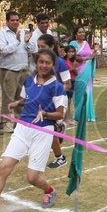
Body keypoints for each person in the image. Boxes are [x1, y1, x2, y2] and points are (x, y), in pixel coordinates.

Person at [0, 49, 66, 212]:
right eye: (41, 62)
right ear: (36, 63)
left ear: (53, 65)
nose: (43, 65)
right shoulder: (29, 81)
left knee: (32, 178)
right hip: (22, 129)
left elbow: (60, 114)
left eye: (47, 63)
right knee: (3, 168)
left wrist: (46, 114)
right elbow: (27, 99)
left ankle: (49, 190)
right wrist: (16, 103)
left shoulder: (57, 87)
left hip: (43, 132)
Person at [37, 34, 71, 170]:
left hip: (57, 99)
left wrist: (53, 91)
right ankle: (59, 128)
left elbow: (67, 84)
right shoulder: (39, 62)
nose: (40, 49)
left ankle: (60, 158)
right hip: (44, 99)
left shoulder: (60, 63)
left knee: (48, 128)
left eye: (43, 47)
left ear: (51, 47)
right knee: (43, 127)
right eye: (38, 47)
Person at [0, 10, 32, 133]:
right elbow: (3, 51)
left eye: (17, 20)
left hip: (23, 70)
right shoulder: (2, 34)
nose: (15, 22)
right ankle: (5, 122)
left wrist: (26, 42)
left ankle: (19, 122)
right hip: (9, 71)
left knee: (21, 97)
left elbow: (31, 50)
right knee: (8, 97)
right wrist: (17, 42)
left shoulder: (23, 33)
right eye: (12, 20)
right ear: (7, 21)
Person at [70, 26, 97, 122]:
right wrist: (88, 58)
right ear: (75, 34)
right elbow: (73, 56)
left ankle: (88, 114)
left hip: (87, 71)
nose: (82, 34)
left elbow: (90, 54)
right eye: (79, 32)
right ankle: (78, 114)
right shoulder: (73, 43)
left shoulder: (86, 43)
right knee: (79, 93)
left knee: (87, 92)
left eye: (83, 32)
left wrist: (93, 54)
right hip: (78, 72)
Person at [63, 45, 78, 124]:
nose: (71, 53)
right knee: (66, 101)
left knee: (69, 100)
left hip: (72, 80)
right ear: (66, 52)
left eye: (72, 52)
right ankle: (66, 118)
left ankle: (68, 118)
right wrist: (72, 67)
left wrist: (74, 67)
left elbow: (76, 73)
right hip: (66, 81)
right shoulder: (64, 62)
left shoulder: (73, 61)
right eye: (69, 52)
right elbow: (64, 72)